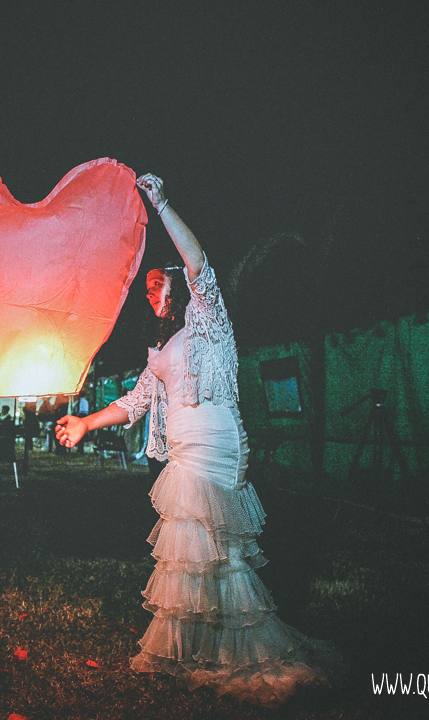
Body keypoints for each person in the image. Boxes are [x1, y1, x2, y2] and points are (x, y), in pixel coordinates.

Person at [56, 173, 343, 706]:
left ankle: (242, 652)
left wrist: (161, 204)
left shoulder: (209, 320)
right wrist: (85, 423)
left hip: (216, 445)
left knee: (219, 551)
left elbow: (198, 263)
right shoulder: (158, 349)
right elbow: (136, 402)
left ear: (178, 287)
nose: (150, 290)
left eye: (156, 282)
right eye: (146, 287)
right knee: (191, 552)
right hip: (184, 451)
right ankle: (198, 648)